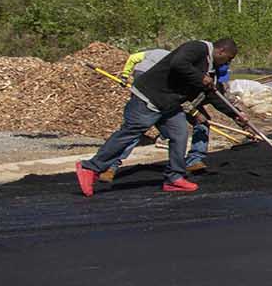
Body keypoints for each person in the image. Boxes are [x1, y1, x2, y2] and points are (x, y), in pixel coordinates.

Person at [75, 38, 245, 197]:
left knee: (179, 134)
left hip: (169, 104)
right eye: (228, 58)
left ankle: (174, 178)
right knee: (130, 133)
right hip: (148, 97)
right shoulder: (197, 48)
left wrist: (236, 115)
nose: (228, 63)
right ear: (221, 51)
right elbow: (178, 63)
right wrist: (200, 77)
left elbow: (213, 95)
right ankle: (90, 167)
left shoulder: (210, 69)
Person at [95, 51, 230, 183]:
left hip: (170, 98)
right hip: (153, 95)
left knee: (190, 128)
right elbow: (179, 98)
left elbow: (191, 97)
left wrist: (236, 116)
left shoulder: (196, 69)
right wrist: (195, 113)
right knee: (138, 128)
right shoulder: (171, 69)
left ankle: (193, 161)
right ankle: (109, 167)